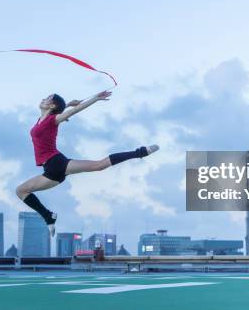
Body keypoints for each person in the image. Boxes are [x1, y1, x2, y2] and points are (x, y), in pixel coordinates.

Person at [15, 90, 159, 236]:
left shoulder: (53, 120)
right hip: (50, 171)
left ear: (52, 106)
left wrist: (95, 98)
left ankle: (140, 152)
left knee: (99, 165)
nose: (43, 99)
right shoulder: (41, 120)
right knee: (21, 191)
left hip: (56, 162)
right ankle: (48, 216)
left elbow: (74, 111)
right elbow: (62, 111)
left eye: (47, 98)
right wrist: (68, 103)